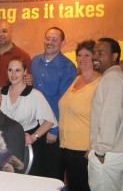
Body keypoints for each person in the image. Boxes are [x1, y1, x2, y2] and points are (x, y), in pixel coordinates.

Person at [30, 27, 77, 180]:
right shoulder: (35, 61)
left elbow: (64, 101)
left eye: (54, 40)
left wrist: (54, 129)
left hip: (53, 126)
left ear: (62, 43)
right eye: (47, 38)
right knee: (35, 168)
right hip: (35, 124)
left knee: (52, 171)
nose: (50, 42)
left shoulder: (68, 67)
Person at [1, 56, 57, 175]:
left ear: (25, 72)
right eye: (10, 70)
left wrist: (33, 137)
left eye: (18, 70)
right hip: (4, 146)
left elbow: (49, 120)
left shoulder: (34, 95)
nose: (13, 74)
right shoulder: (1, 92)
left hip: (27, 147)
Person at [58, 40, 101, 191]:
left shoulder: (100, 83)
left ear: (95, 58)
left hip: (85, 150)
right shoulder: (77, 79)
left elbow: (103, 118)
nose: (82, 58)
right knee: (74, 186)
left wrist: (92, 146)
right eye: (79, 55)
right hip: (67, 147)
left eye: (87, 55)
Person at [88, 38, 123, 191]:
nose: (95, 56)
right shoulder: (113, 77)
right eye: (94, 52)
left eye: (101, 53)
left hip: (107, 154)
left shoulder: (113, 78)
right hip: (113, 152)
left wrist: (100, 152)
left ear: (114, 56)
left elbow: (110, 117)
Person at [0, 20, 31, 87]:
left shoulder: (23, 56)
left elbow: (28, 81)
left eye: (4, 31)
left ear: (11, 33)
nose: (0, 34)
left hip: (13, 96)